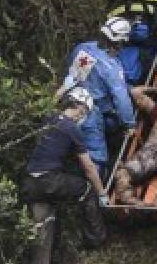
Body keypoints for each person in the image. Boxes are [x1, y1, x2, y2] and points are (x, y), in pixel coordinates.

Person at [21, 87, 109, 264]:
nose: (84, 116)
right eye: (85, 112)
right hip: (50, 182)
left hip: (31, 184)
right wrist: (101, 192)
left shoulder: (48, 117)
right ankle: (97, 240)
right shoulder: (71, 128)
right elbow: (88, 167)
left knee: (44, 229)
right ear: (79, 108)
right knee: (86, 190)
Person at [57, 17, 137, 176]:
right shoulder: (111, 66)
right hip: (93, 115)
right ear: (120, 42)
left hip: (69, 106)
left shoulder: (84, 49)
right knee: (96, 157)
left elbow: (75, 77)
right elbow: (121, 100)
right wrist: (129, 124)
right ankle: (94, 191)